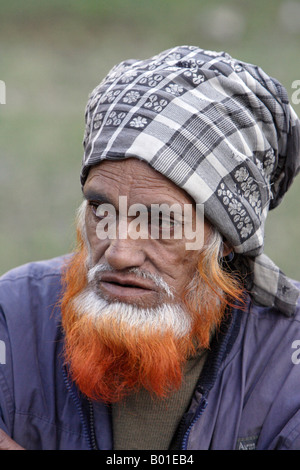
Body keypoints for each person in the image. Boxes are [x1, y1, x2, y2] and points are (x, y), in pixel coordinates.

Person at [0, 45, 300, 451]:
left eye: (161, 221)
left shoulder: (288, 364)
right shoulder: (15, 317)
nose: (120, 253)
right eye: (101, 210)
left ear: (227, 241)